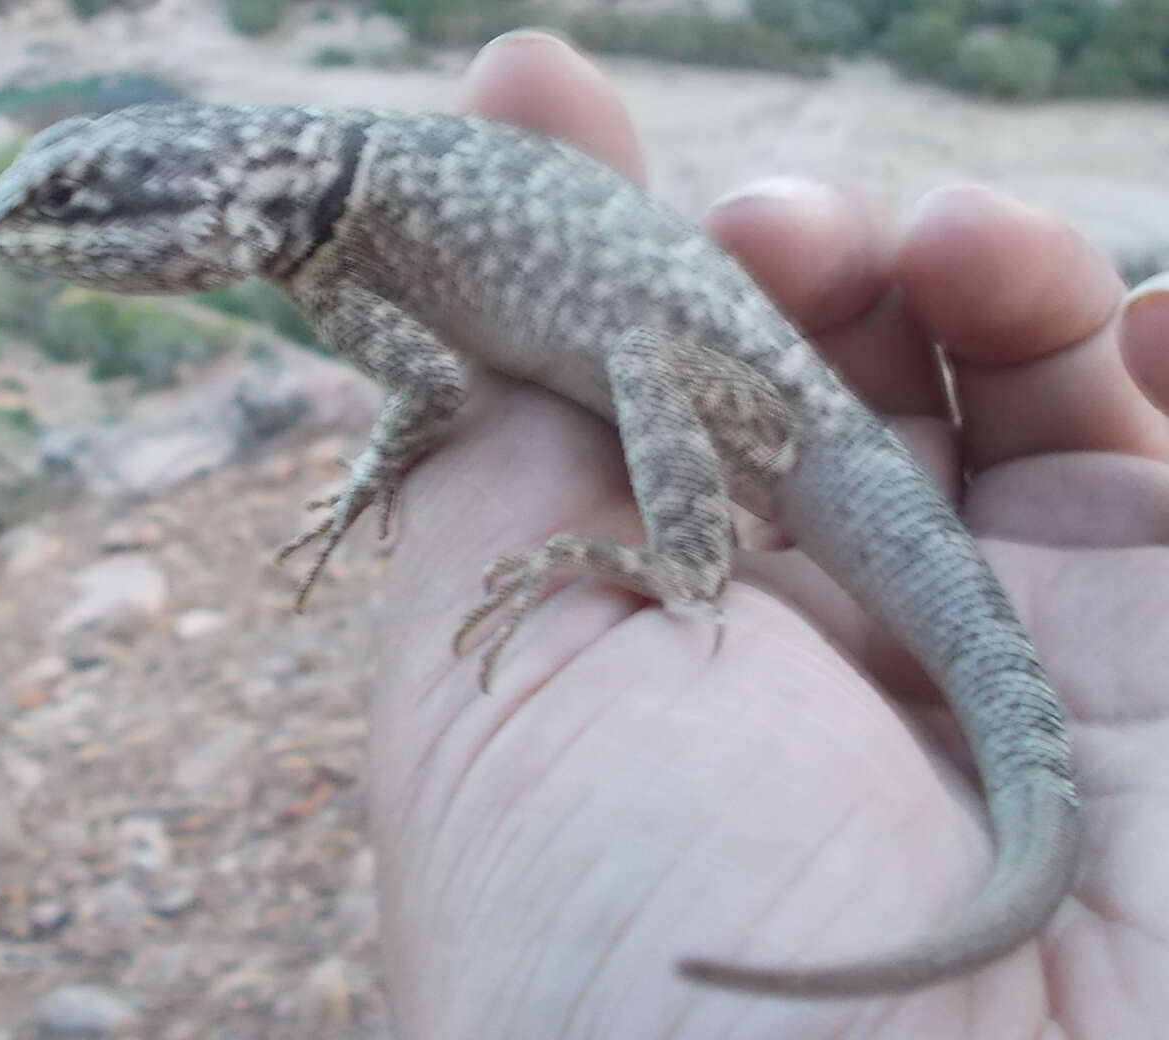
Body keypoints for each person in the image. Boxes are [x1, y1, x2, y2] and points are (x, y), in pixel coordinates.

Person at [365, 30, 1168, 1037]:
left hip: (786, 422)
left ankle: (691, 567)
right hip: (788, 424)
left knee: (690, 332)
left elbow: (432, 381)